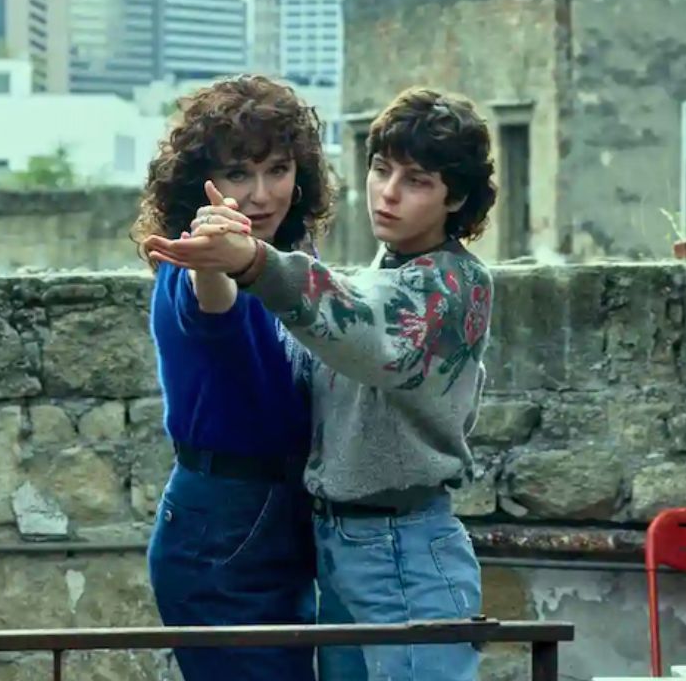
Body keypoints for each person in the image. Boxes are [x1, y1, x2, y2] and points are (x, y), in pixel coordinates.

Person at [145, 86, 498, 681]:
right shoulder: (364, 273)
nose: (388, 193)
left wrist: (250, 261)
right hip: (308, 533)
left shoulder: (452, 283)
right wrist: (222, 257)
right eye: (381, 170)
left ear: (455, 197)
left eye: (416, 181)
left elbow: (368, 335)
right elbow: (215, 302)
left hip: (394, 539)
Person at [131, 74, 335, 681]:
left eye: (278, 170)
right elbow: (212, 305)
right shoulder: (191, 259)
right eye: (239, 174)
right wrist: (214, 254)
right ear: (203, 182)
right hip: (221, 526)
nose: (261, 195)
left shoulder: (287, 262)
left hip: (282, 517)